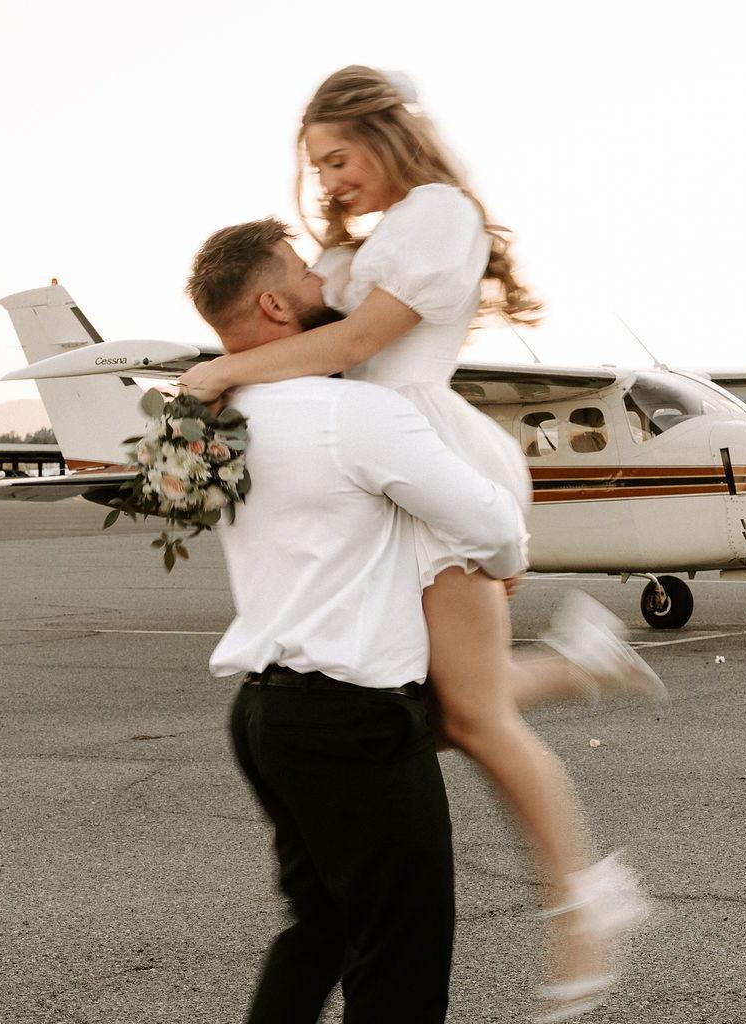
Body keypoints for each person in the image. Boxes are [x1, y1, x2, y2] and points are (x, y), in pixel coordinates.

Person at [179, 67, 662, 1021]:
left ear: (384, 135)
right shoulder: (373, 240)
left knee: (468, 718)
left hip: (427, 456)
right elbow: (305, 311)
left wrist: (223, 372)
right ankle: (576, 667)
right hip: (390, 466)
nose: (329, 179)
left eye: (338, 158)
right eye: (317, 167)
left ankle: (587, 898)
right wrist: (320, 243)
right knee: (431, 708)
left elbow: (349, 342)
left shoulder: (438, 214)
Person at [189, 216, 528, 1023]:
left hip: (265, 717)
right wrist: (499, 563)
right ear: (274, 305)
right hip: (351, 724)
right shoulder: (354, 415)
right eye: (305, 272)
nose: (326, 282)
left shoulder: (221, 424)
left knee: (324, 931)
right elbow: (495, 528)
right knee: (401, 958)